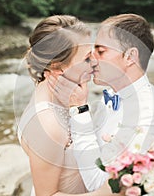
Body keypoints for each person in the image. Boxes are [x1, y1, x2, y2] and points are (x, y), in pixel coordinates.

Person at [48, 13, 154, 192]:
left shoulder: (151, 114)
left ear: (130, 56)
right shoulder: (111, 93)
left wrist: (79, 109)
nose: (92, 58)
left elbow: (97, 182)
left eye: (101, 51)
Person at [16, 15, 120, 196]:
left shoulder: (63, 92)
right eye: (87, 58)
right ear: (57, 67)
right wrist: (108, 192)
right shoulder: (47, 125)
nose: (95, 62)